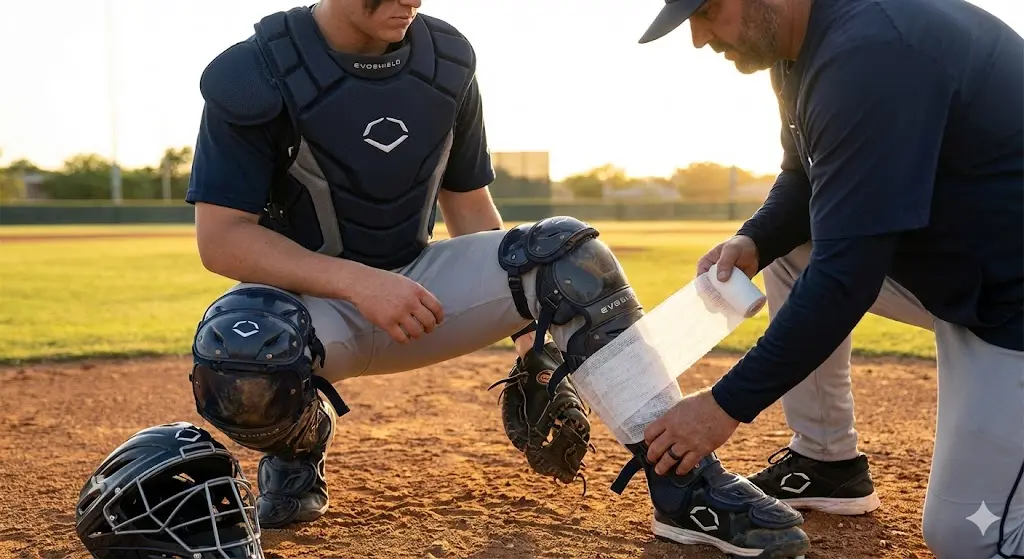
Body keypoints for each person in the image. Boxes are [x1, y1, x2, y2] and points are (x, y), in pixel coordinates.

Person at [183, 0, 812, 556]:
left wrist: (531, 345)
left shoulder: (446, 57)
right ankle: (298, 443)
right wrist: (359, 284)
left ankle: (684, 485)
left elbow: (471, 211)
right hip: (312, 307)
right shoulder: (255, 70)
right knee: (237, 354)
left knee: (566, 255)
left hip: (420, 287)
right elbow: (223, 238)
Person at [634, 0, 1024, 557]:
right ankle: (825, 459)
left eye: (709, 10)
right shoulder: (798, 49)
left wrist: (724, 406)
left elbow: (847, 278)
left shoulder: (869, 51)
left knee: (971, 536)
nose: (698, 37)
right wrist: (758, 239)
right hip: (979, 271)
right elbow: (803, 174)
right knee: (793, 254)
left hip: (1010, 306)